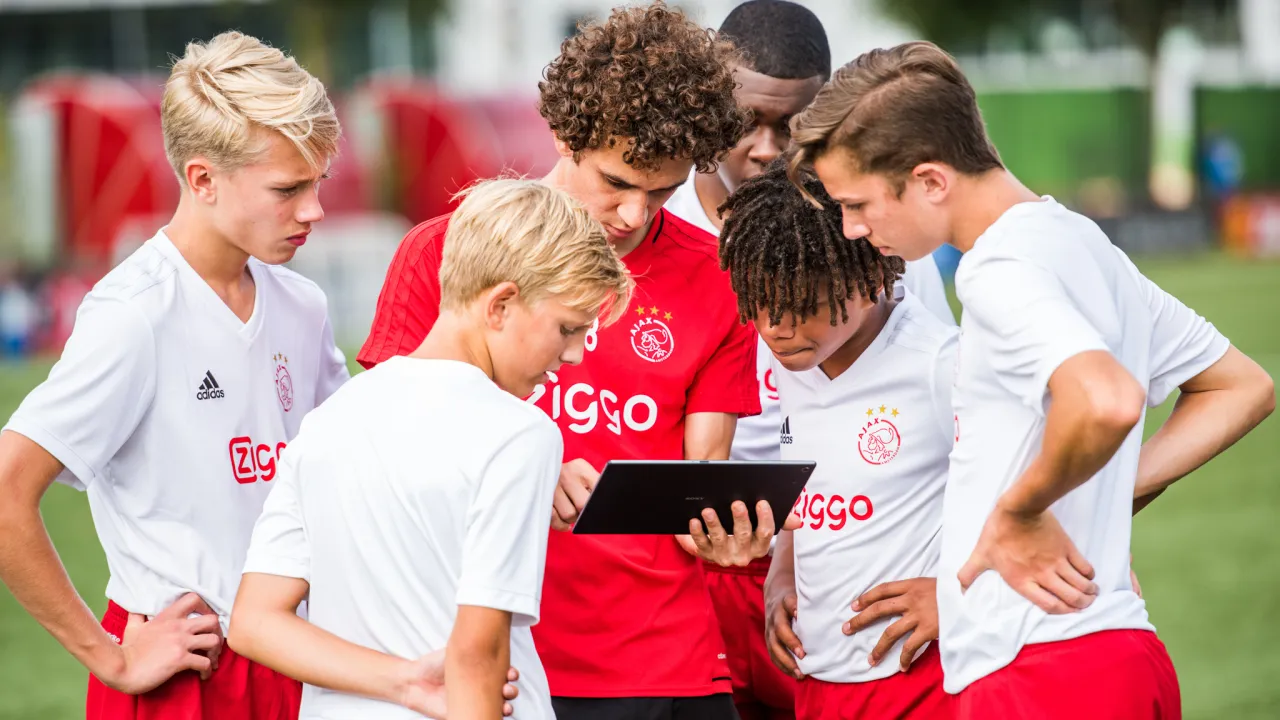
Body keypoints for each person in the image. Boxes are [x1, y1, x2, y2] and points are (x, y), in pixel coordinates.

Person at [790, 40, 1276, 719]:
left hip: (1040, 671)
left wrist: (1021, 512)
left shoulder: (997, 271)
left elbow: (1106, 397)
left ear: (931, 180)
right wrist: (1096, 495)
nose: (849, 227)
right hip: (1120, 654)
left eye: (858, 203)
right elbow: (1241, 386)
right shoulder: (1079, 241)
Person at [357, 4, 781, 718]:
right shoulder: (440, 250)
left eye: (663, 191)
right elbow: (385, 446)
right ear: (562, 134)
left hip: (662, 665)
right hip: (495, 654)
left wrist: (724, 530)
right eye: (616, 182)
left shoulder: (716, 275)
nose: (634, 215)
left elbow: (702, 468)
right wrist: (529, 462)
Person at [0, 31, 350, 719]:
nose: (313, 210)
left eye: (319, 183)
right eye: (288, 189)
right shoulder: (134, 316)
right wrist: (111, 654)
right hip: (192, 674)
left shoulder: (302, 304)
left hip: (301, 657)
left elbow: (349, 471)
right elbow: (7, 493)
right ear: (201, 180)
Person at [228, 178, 632, 720]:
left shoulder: (329, 419)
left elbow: (254, 623)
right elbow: (477, 653)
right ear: (501, 305)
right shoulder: (520, 433)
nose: (576, 355)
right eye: (568, 328)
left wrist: (404, 684)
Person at [662, 5, 953, 718]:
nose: (767, 147)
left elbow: (949, 422)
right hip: (701, 573)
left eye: (791, 126)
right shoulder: (658, 228)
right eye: (746, 120)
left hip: (853, 560)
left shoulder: (869, 238)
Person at [720, 162, 955, 720]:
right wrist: (781, 572)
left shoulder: (942, 364)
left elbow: (1045, 492)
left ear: (871, 274)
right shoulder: (793, 359)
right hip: (820, 681)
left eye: (801, 305)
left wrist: (956, 593)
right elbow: (815, 488)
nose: (776, 328)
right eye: (759, 304)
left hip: (925, 680)